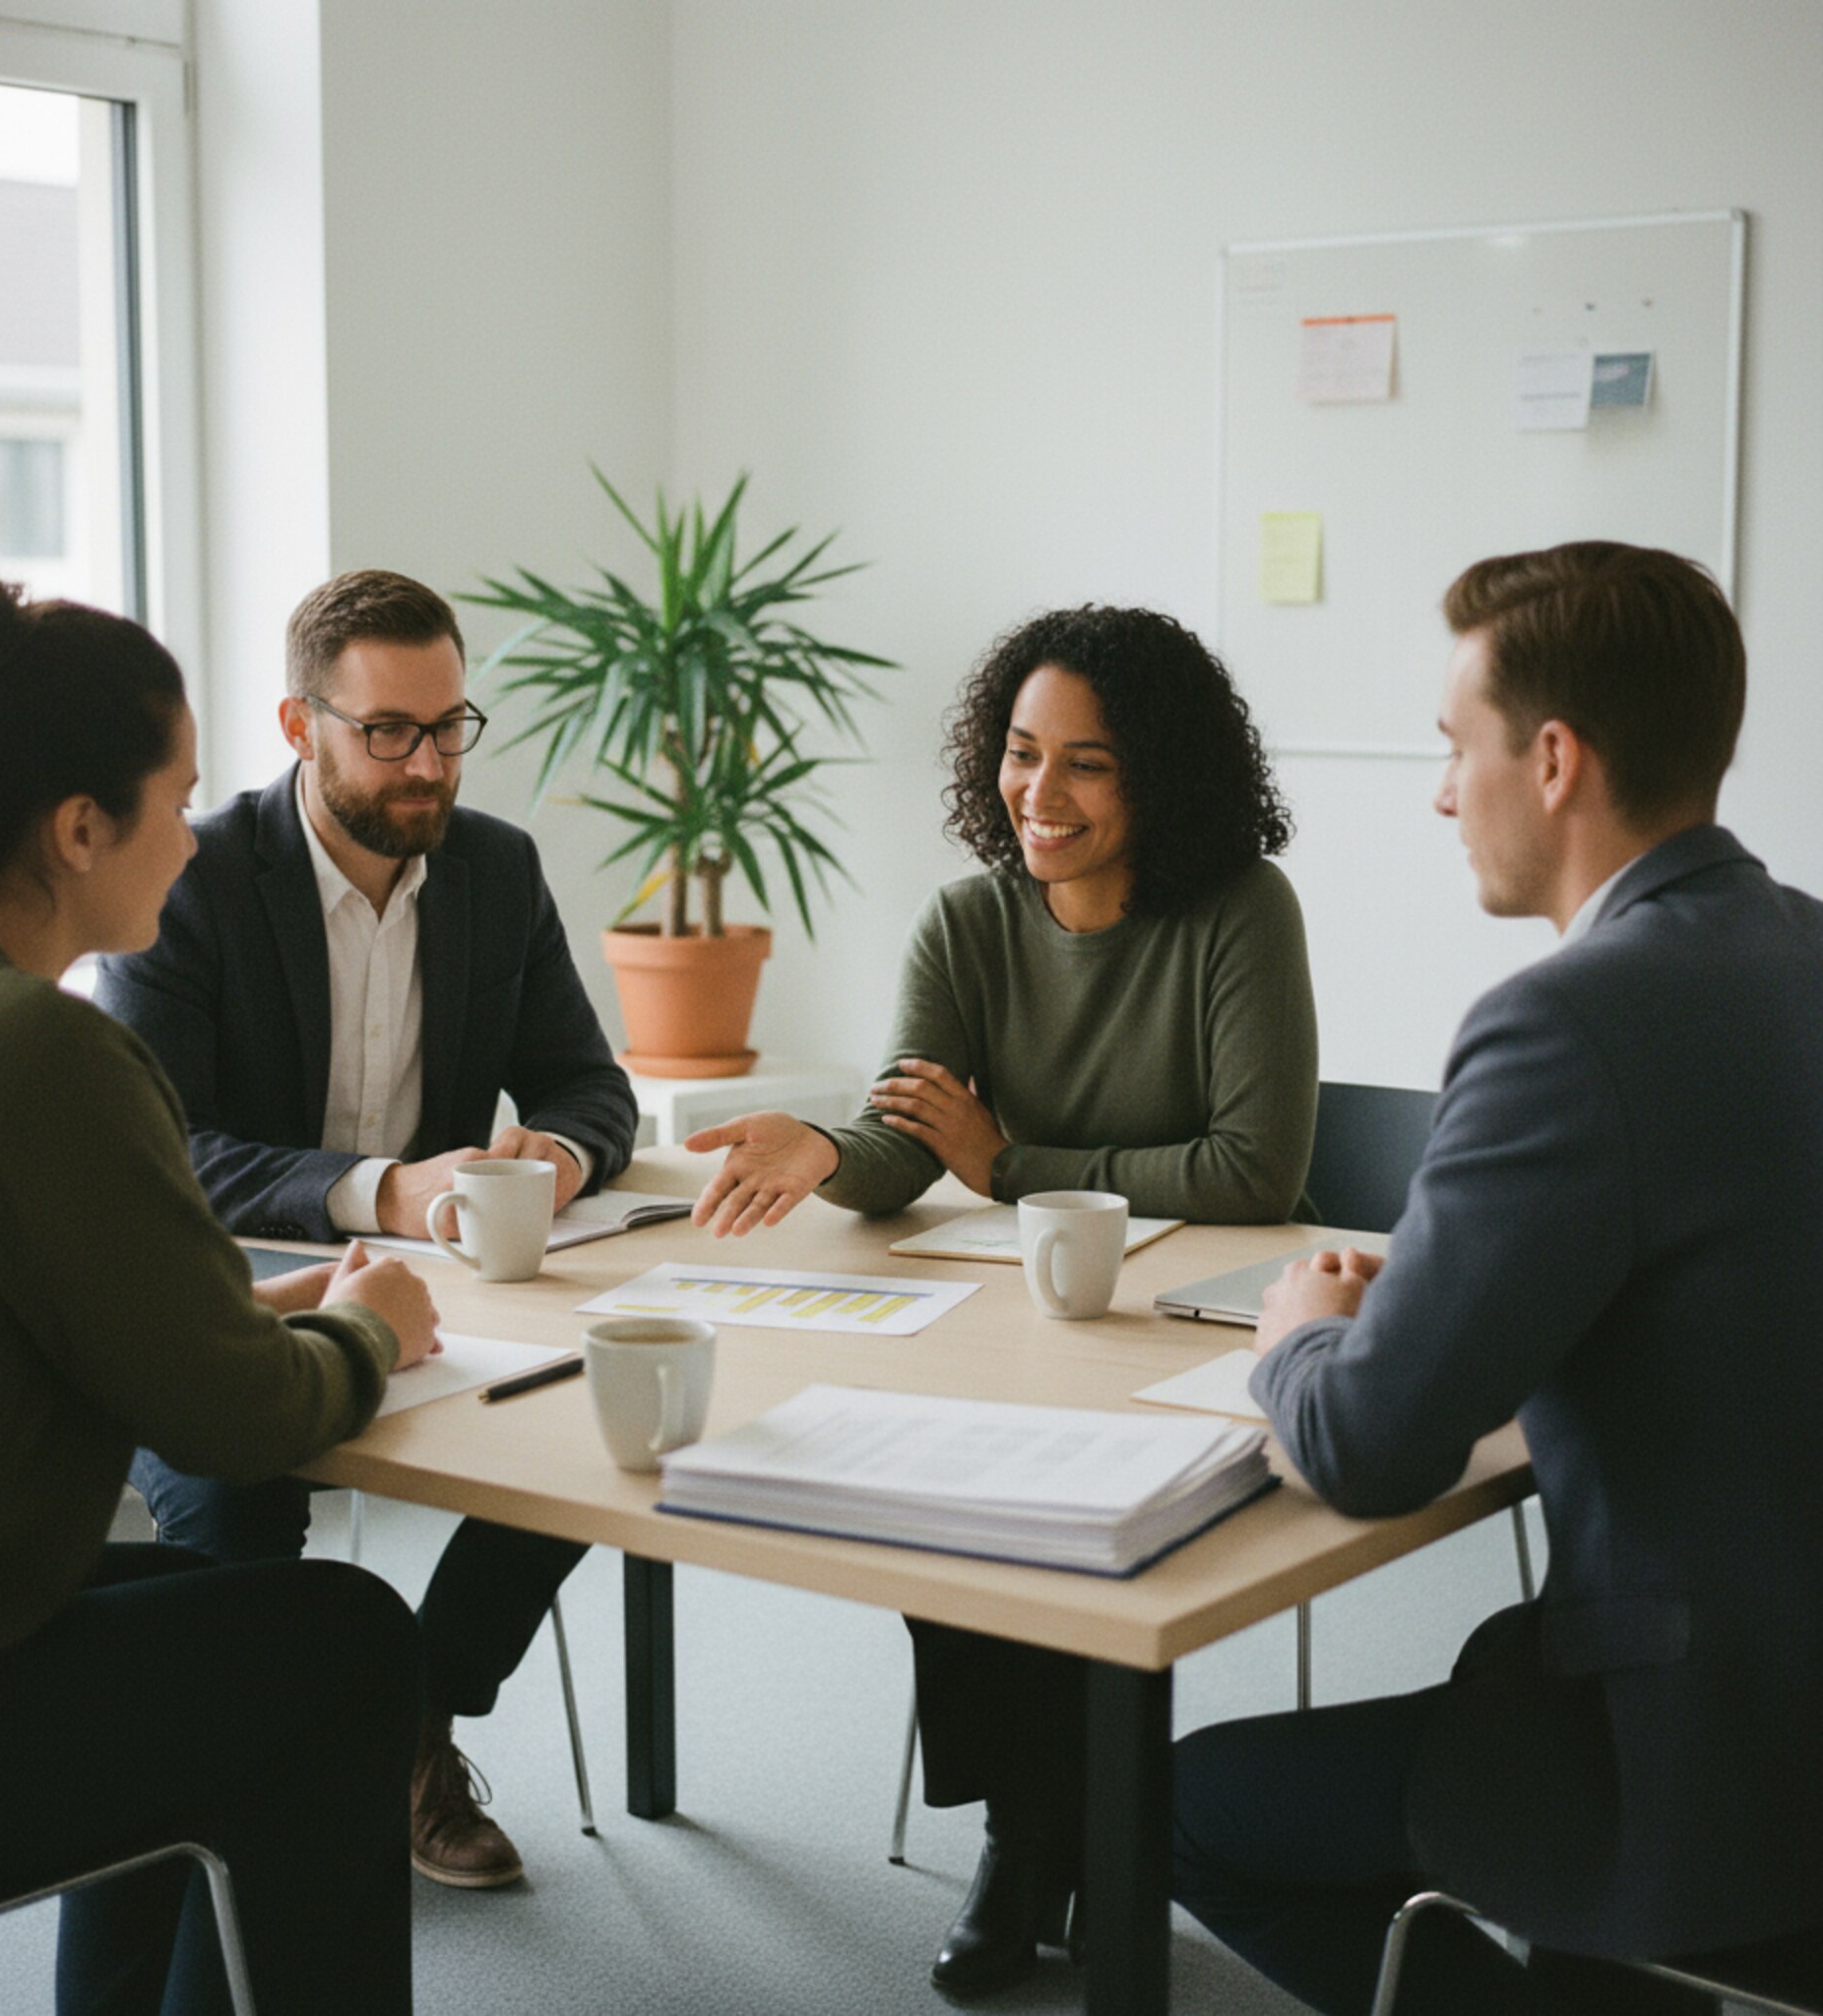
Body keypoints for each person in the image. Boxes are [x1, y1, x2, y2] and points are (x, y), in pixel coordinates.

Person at [1173, 542, 1823, 2015]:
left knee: (1184, 1805)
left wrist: (1300, 1334)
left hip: (1699, 1757)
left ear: (1551, 759)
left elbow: (1370, 1449)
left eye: (1453, 749)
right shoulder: (1801, 948)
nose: (1440, 793)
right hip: (1793, 1676)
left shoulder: (1568, 1023)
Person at [0, 562, 444, 2015]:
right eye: (179, 800)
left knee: (205, 1617)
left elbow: (36, 1311)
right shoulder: (41, 1051)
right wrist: (365, 1325)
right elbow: (231, 1418)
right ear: (80, 828)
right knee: (342, 1643)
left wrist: (259, 1308)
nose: (200, 843)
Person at [687, 603, 1320, 1994]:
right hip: (1022, 1321)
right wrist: (826, 1148)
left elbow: (1255, 1167)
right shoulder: (969, 922)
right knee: (943, 1491)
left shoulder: (1237, 913)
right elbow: (910, 1135)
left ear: (1160, 776)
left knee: (1091, 1523)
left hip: (1179, 1337)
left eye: (1087, 764)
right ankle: (1036, 1837)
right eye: (1023, 755)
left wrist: (1012, 1161)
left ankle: (1049, 1845)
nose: (1040, 794)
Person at [98, 569, 636, 1889]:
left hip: (451, 1304)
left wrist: (553, 1157)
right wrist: (375, 1192)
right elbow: (159, 1149)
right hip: (235, 1302)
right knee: (233, 1495)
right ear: (301, 727)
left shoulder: (496, 868)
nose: (427, 763)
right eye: (388, 731)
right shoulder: (192, 878)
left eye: (450, 727)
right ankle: (259, 1809)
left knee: (602, 1432)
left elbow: (592, 1084)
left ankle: (410, 1722)